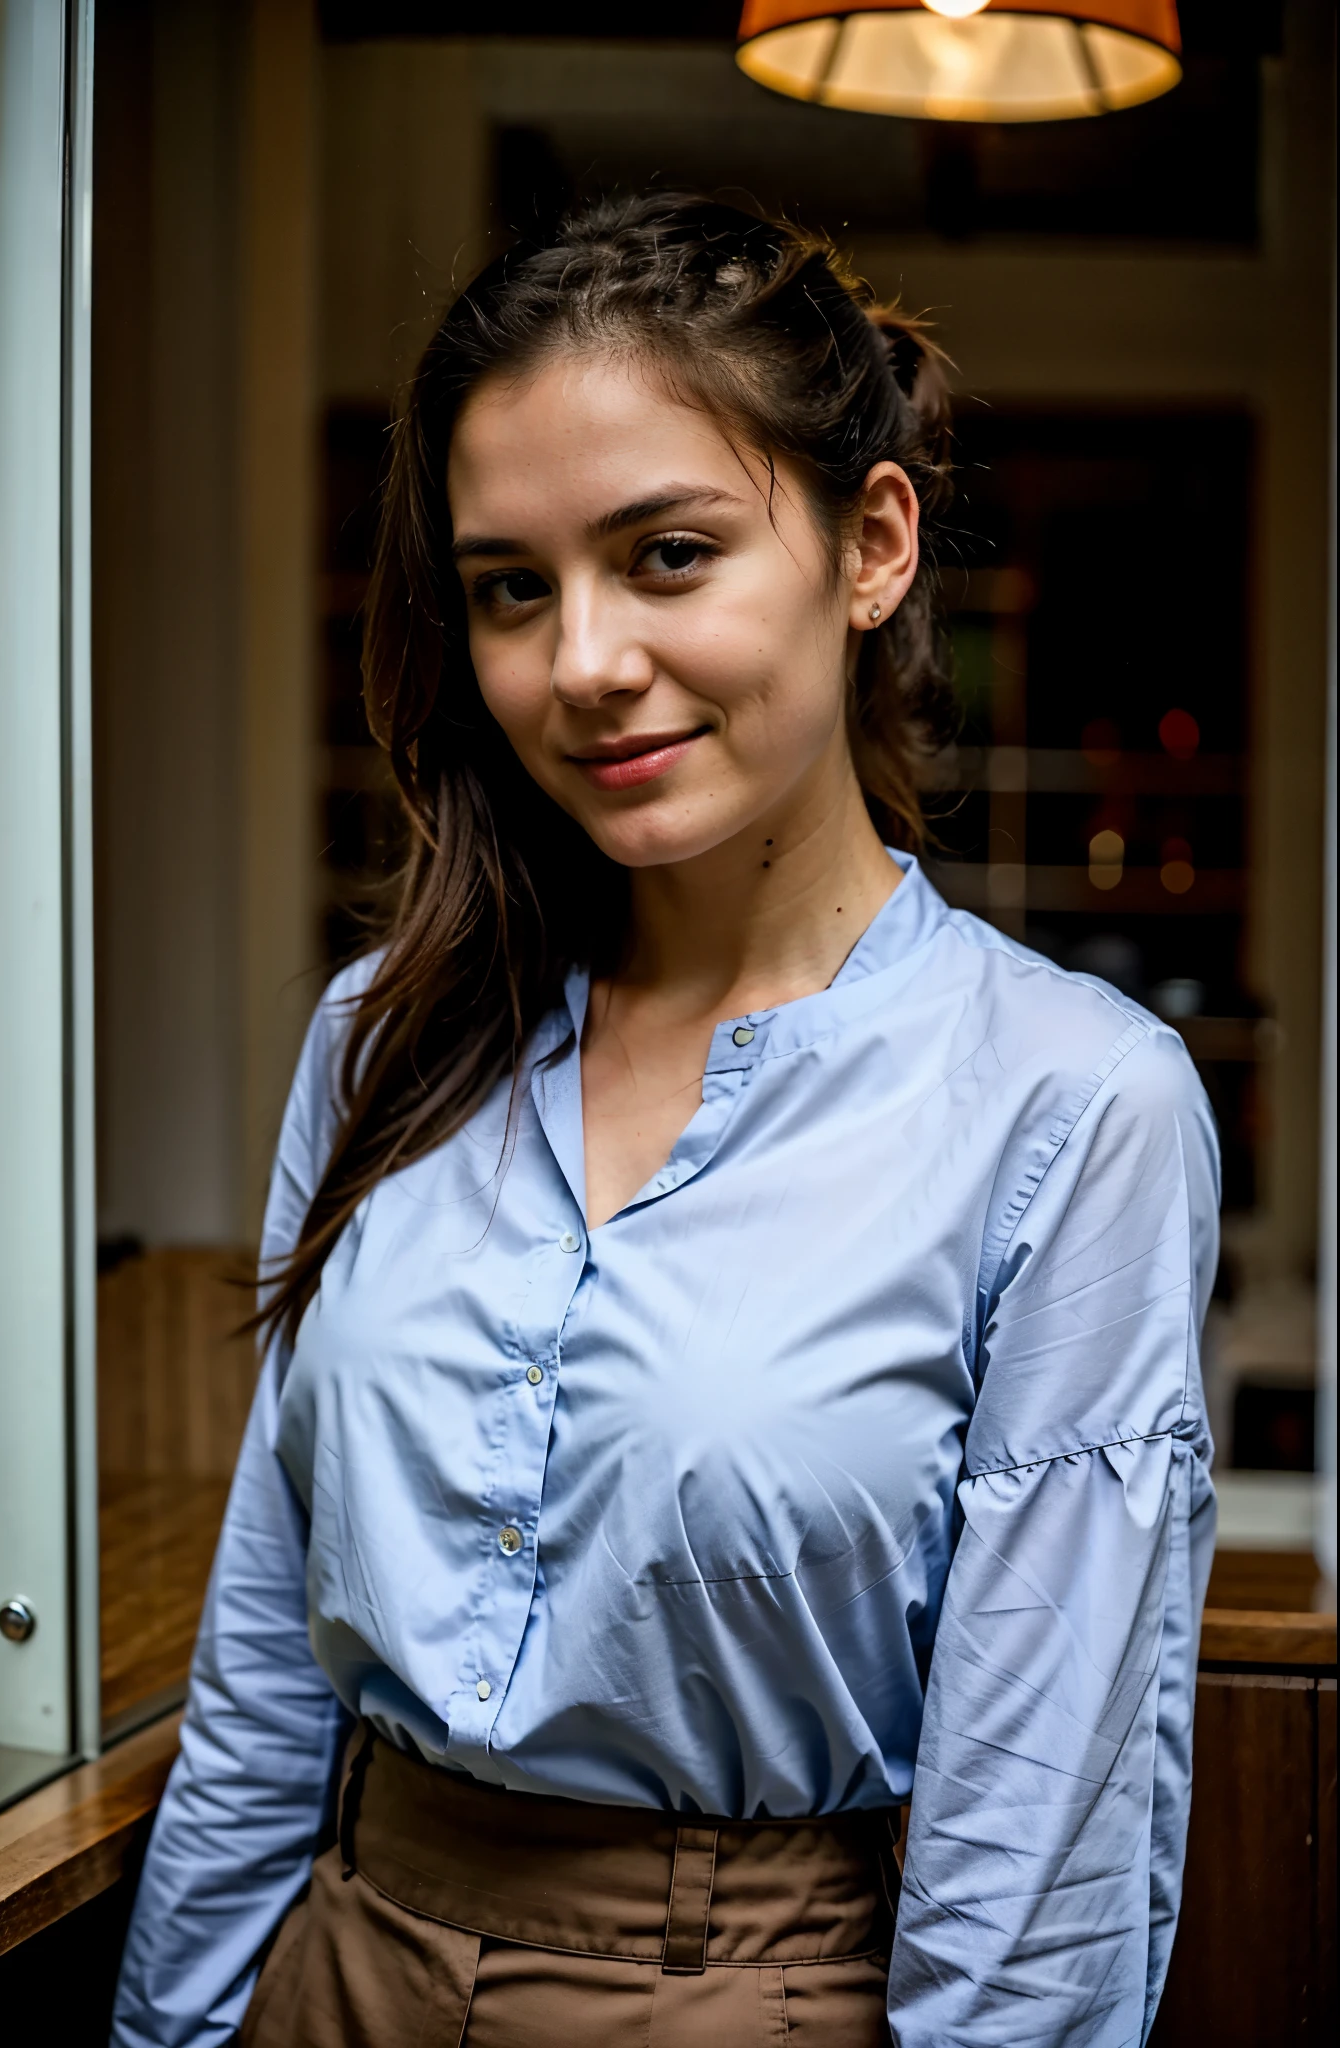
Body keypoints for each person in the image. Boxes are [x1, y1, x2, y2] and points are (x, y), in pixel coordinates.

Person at [111, 194, 1218, 2048]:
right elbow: (268, 1647)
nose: (585, 663)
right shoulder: (385, 1034)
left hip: (753, 1997)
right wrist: (179, 2023)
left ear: (870, 545)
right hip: (339, 1972)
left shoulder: (1073, 1106)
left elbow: (1043, 1853)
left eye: (669, 553)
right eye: (511, 588)